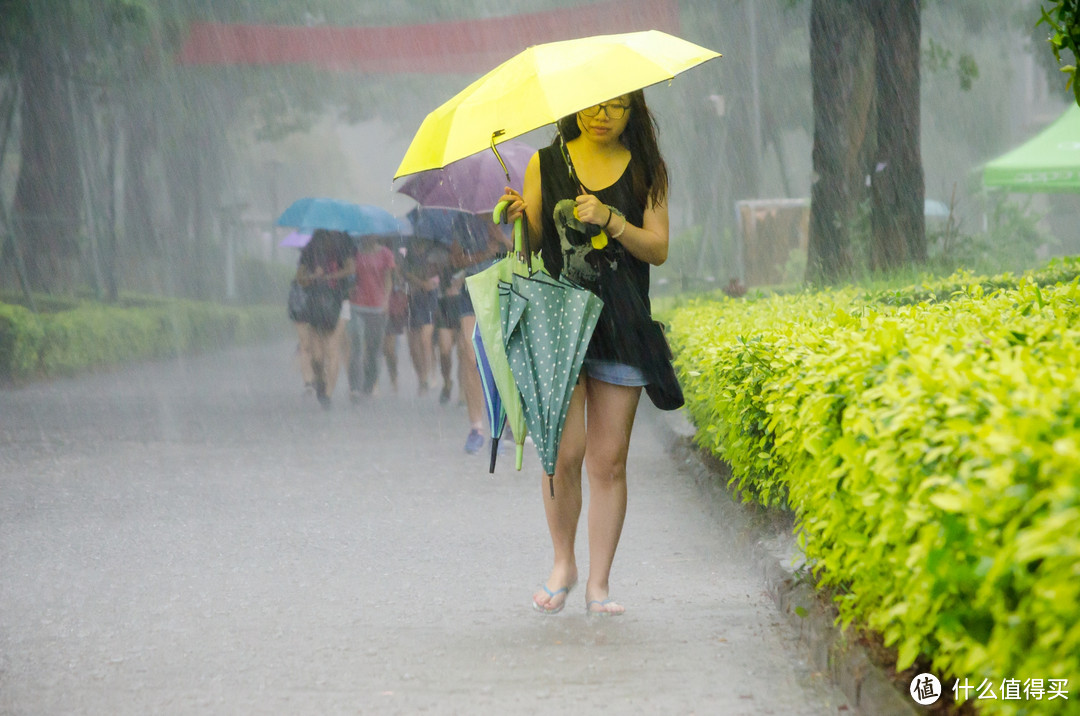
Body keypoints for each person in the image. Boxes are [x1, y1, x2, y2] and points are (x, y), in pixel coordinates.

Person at [500, 91, 670, 616]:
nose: (603, 115)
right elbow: (529, 251)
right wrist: (518, 221)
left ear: (632, 112)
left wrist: (612, 220)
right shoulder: (544, 162)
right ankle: (562, 564)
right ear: (575, 107)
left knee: (608, 462)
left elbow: (658, 249)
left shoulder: (647, 169)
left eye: (617, 106)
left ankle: (599, 583)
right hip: (558, 326)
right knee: (561, 453)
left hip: (623, 326)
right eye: (594, 104)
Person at [449, 213, 512, 454]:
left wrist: (503, 241)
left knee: (502, 359)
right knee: (470, 353)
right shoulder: (464, 220)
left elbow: (527, 258)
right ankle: (476, 427)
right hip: (472, 291)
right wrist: (485, 252)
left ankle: (505, 423)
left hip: (506, 291)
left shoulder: (515, 217)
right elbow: (455, 260)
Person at [294, 229, 356, 409]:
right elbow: (300, 277)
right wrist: (314, 276)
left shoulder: (345, 241)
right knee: (317, 357)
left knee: (332, 347)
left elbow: (351, 268)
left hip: (340, 301)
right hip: (316, 303)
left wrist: (330, 276)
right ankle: (320, 381)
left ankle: (328, 394)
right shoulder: (311, 246)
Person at [346, 235, 396, 401]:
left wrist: (386, 300)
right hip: (357, 306)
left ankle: (369, 383)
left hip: (377, 307)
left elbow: (388, 279)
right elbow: (350, 274)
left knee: (374, 349)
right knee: (357, 345)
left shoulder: (386, 254)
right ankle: (354, 386)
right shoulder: (354, 253)